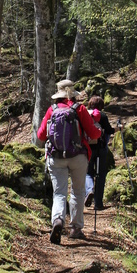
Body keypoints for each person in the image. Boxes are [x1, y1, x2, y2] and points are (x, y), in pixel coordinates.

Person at [37, 79, 101, 244]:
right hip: (78, 156)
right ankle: (75, 228)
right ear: (72, 93)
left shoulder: (52, 110)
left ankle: (58, 220)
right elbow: (93, 134)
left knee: (59, 192)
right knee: (78, 191)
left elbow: (41, 136)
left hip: (56, 156)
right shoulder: (79, 109)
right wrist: (99, 133)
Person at [84, 95, 115, 211]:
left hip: (87, 148)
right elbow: (108, 130)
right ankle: (98, 203)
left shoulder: (85, 114)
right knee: (101, 175)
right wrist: (118, 129)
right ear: (101, 106)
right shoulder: (102, 115)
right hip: (101, 148)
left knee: (88, 173)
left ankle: (89, 190)